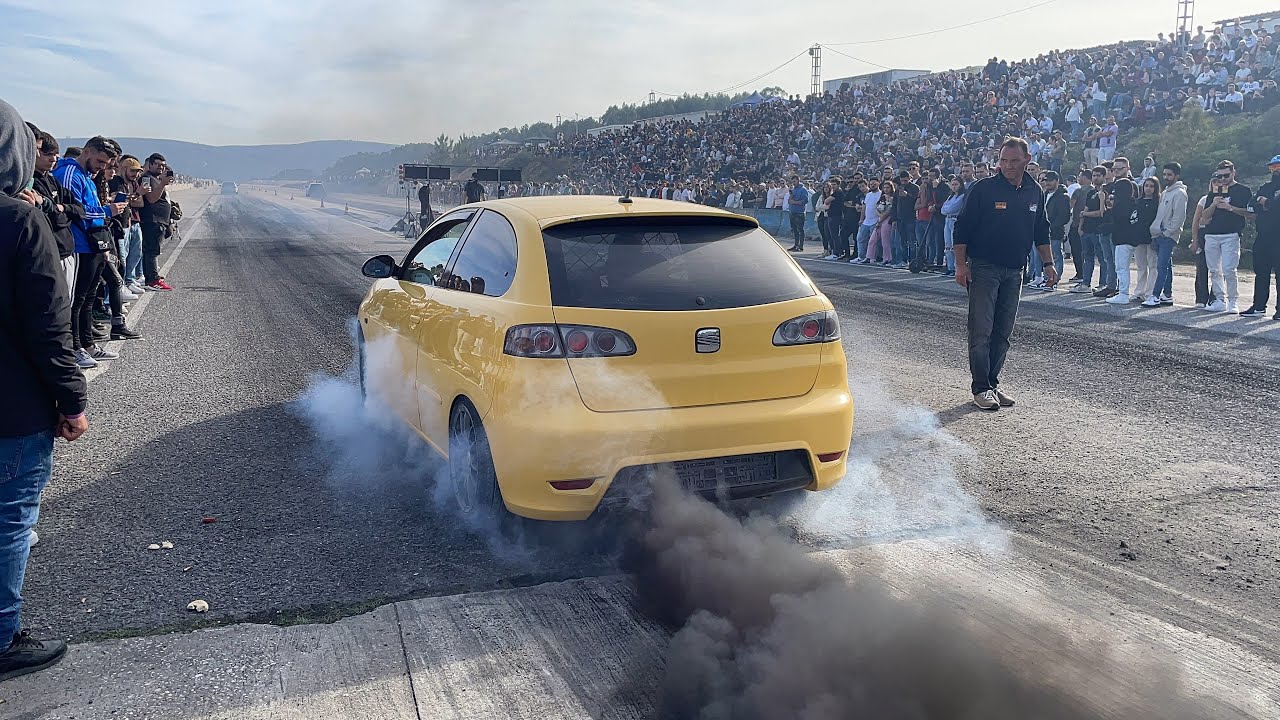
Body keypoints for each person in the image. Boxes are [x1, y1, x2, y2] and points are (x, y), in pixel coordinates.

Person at [0, 98, 89, 682]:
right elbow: (48, 324)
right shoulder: (18, 220)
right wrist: (72, 400)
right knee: (9, 520)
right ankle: (3, 637)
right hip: (13, 408)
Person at [954, 137, 1053, 411]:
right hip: (984, 267)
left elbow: (1041, 230)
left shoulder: (1035, 191)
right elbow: (962, 228)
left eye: (1013, 161)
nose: (1007, 166)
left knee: (1003, 332)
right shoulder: (983, 189)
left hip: (1015, 269)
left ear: (1027, 160)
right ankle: (981, 388)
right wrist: (961, 265)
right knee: (981, 329)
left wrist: (1048, 264)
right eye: (1003, 161)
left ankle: (993, 383)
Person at [53, 137, 128, 368]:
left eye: (106, 163)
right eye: (100, 161)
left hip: (93, 244)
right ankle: (74, 347)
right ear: (86, 152)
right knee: (76, 300)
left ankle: (88, 344)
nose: (102, 167)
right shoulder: (69, 173)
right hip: (78, 245)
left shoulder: (86, 176)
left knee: (88, 299)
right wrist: (108, 210)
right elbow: (75, 211)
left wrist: (102, 244)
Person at [1192, 160, 1253, 313]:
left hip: (1231, 234)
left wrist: (1230, 208)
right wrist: (1213, 204)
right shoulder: (1215, 190)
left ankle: (1233, 301)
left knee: (1229, 269)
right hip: (1211, 235)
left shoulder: (1243, 190)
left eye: (1226, 175)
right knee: (1214, 269)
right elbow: (1203, 217)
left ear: (1234, 172)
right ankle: (1219, 299)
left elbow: (1251, 214)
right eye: (1220, 176)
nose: (1223, 179)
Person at [1241, 155, 1280, 318]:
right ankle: (1258, 306)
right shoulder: (1265, 187)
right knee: (1261, 272)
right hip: (1263, 234)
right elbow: (1251, 204)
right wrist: (1266, 203)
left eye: (1278, 167)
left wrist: (1267, 203)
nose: (1275, 170)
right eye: (1272, 167)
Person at [1144, 163, 1188, 307]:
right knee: (1166, 265)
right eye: (1164, 174)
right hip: (1158, 234)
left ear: (1177, 176)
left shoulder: (1180, 193)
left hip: (1168, 236)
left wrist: (1167, 233)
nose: (1166, 177)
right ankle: (1167, 294)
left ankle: (1155, 296)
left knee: (1161, 266)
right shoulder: (1166, 192)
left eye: (1169, 175)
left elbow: (1179, 217)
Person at [138, 153, 175, 291]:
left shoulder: (156, 179)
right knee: (152, 251)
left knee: (153, 250)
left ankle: (152, 276)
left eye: (163, 165)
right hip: (152, 220)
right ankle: (152, 280)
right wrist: (163, 184)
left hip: (160, 221)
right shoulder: (147, 178)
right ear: (151, 165)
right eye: (158, 164)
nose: (161, 167)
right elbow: (151, 198)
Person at [785, 177, 809, 252]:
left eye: (795, 181)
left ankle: (800, 246)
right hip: (792, 211)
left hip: (799, 212)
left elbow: (805, 200)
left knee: (800, 229)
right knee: (794, 229)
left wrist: (795, 202)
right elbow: (789, 200)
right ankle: (796, 245)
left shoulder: (803, 189)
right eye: (792, 181)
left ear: (798, 181)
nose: (793, 183)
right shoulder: (793, 189)